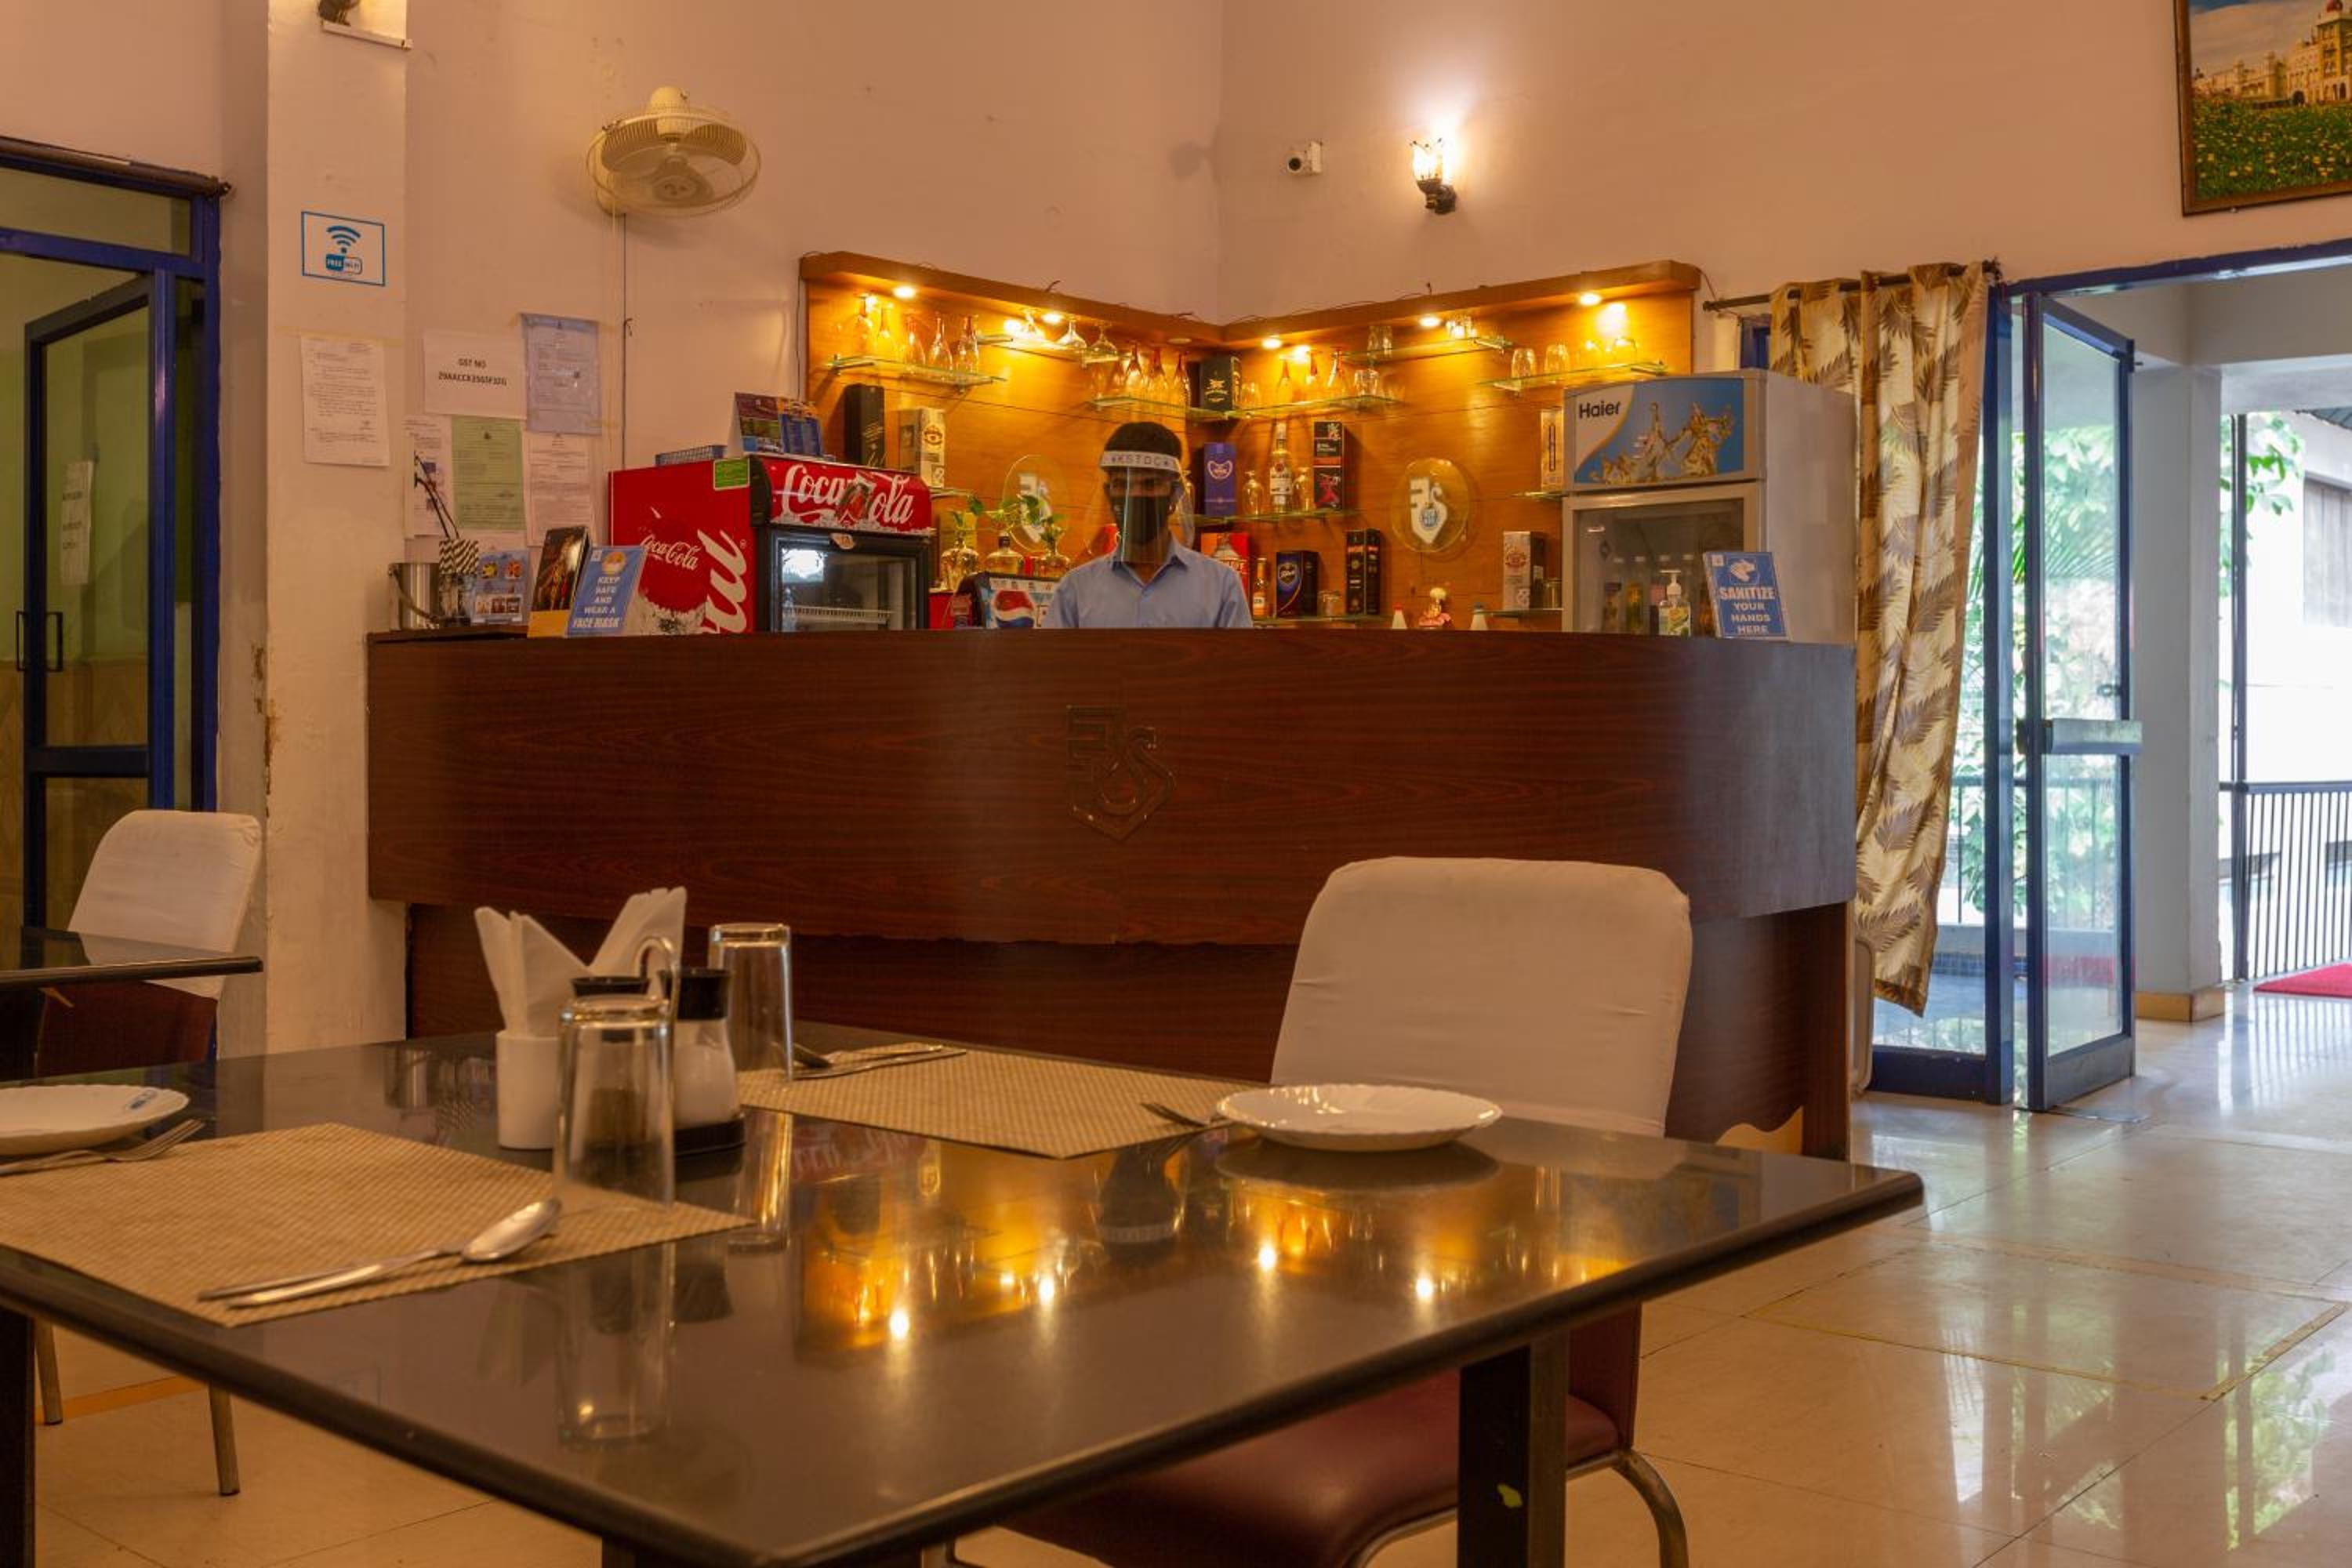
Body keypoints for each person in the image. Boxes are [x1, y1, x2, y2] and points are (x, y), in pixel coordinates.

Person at [1042, 423, 1252, 628]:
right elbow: (1053, 653)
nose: (1134, 495)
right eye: (1122, 484)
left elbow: (1239, 653)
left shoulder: (1221, 586)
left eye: (1150, 484)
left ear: (1175, 494)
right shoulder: (1075, 590)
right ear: (1108, 493)